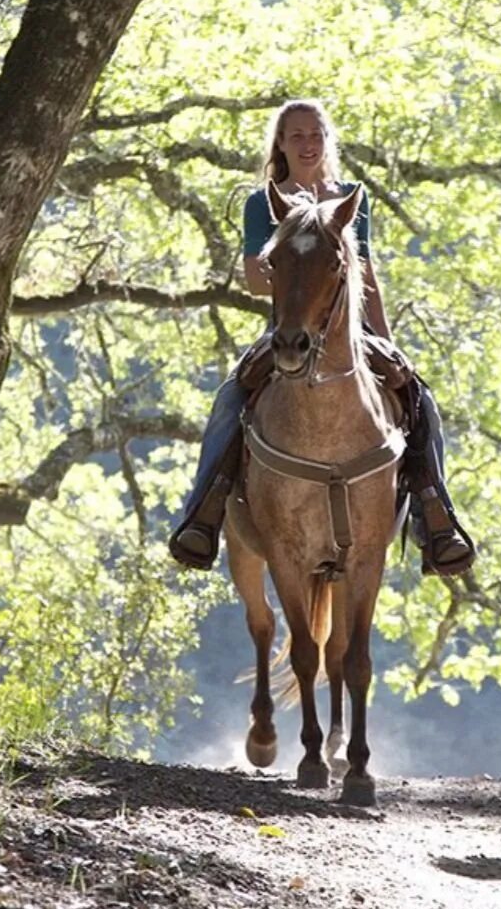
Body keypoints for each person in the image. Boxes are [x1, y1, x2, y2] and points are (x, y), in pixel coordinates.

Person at [169, 98, 476, 576]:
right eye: (297, 135)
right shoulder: (263, 202)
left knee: (421, 400)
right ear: (281, 143)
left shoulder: (352, 197)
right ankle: (203, 514)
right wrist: (299, 267)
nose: (307, 144)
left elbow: (366, 275)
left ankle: (435, 517)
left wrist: (388, 340)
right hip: (288, 329)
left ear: (327, 140)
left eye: (315, 134)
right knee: (230, 399)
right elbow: (254, 280)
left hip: (351, 331)